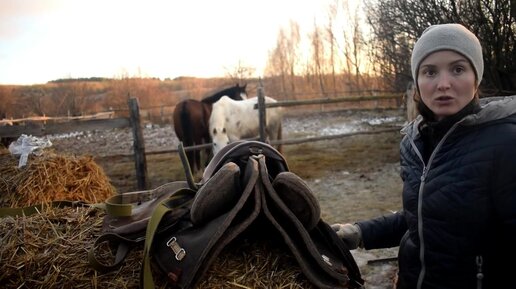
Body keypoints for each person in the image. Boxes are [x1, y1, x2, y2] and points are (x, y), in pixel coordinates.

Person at [332, 23, 516, 289]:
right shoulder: (414, 142)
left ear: (476, 78)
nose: (443, 84)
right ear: (417, 82)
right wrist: (360, 232)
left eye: (458, 69)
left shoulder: (505, 143)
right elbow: (421, 217)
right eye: (430, 71)